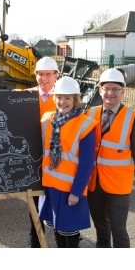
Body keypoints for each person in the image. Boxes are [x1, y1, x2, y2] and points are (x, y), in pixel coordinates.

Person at [86, 68, 135, 248]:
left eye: (115, 89)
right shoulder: (90, 113)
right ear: (99, 89)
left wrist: (125, 170)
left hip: (119, 185)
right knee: (101, 228)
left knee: (119, 230)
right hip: (94, 184)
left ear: (123, 91)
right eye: (107, 88)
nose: (110, 93)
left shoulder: (134, 117)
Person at [39, 76, 97, 248]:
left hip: (69, 190)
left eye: (68, 98)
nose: (62, 102)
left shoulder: (85, 124)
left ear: (76, 100)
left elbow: (87, 164)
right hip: (50, 186)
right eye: (59, 97)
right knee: (56, 228)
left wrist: (76, 192)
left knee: (69, 232)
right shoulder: (47, 119)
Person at [15, 56, 59, 247]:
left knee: (58, 201)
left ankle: (65, 237)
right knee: (34, 203)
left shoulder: (64, 98)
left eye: (48, 74)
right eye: (40, 75)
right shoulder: (26, 96)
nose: (44, 79)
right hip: (32, 159)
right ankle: (35, 240)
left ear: (56, 75)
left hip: (57, 162)